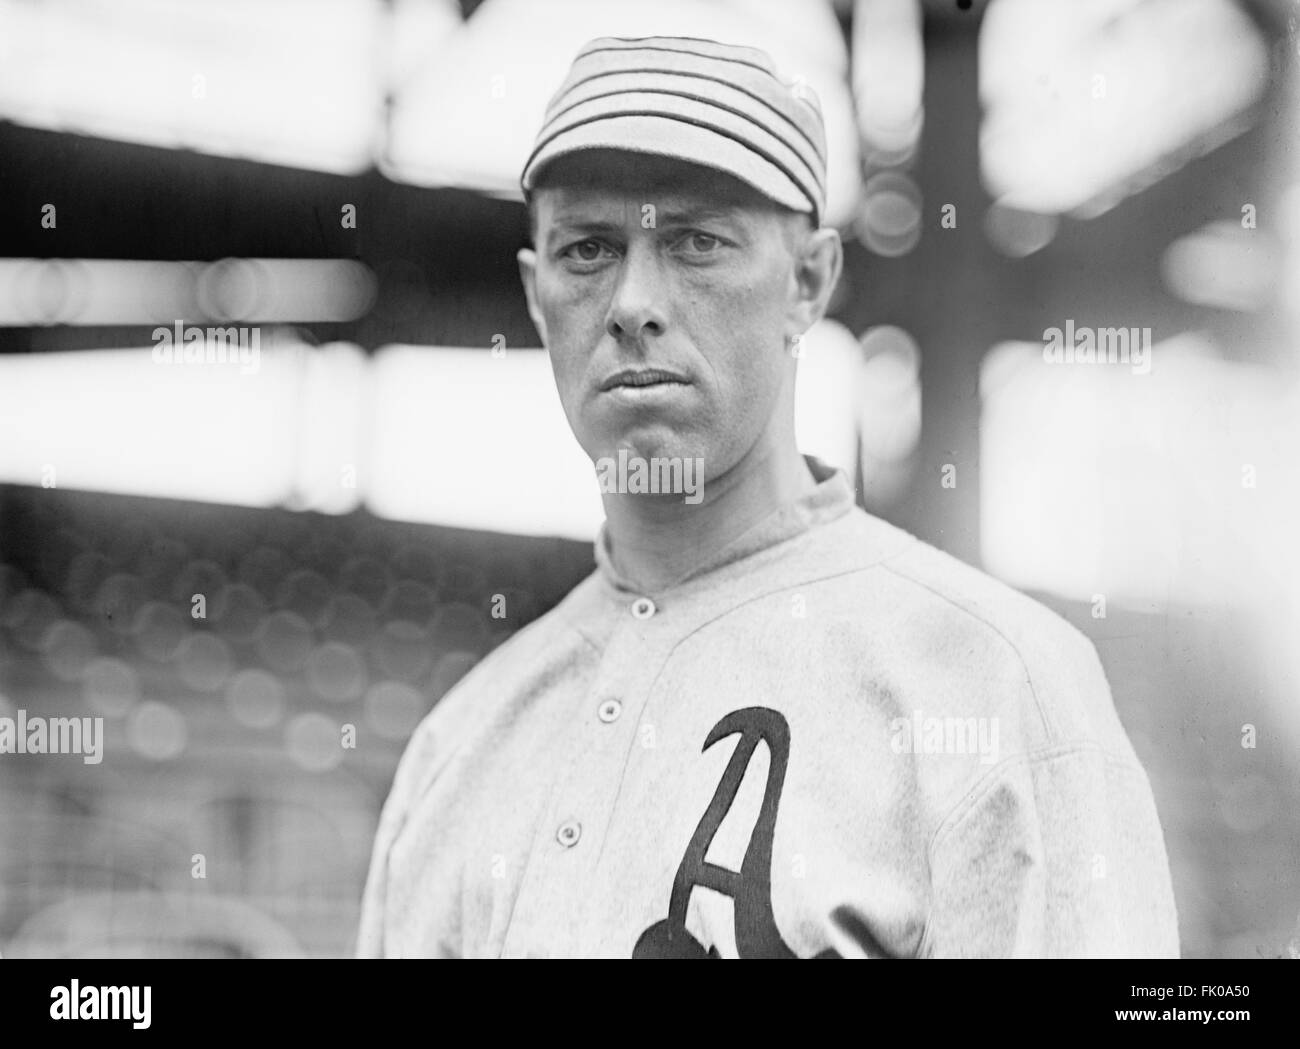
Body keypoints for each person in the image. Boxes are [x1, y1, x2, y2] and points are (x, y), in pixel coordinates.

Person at [356, 34, 1179, 958]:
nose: (632, 301)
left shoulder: (1003, 684)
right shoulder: (452, 751)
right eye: (587, 248)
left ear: (810, 281)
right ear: (535, 292)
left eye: (698, 242)